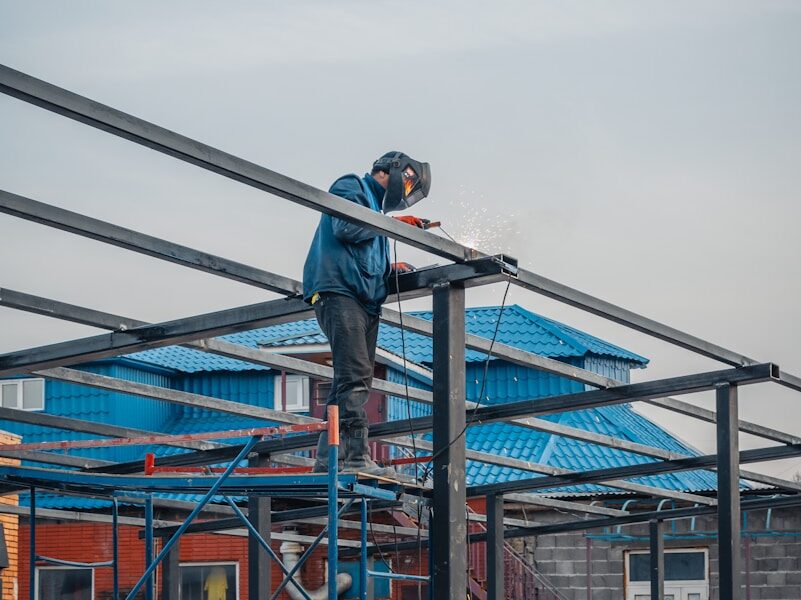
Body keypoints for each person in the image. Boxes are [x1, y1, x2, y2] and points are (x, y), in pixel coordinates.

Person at [302, 151, 431, 476]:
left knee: (352, 378)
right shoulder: (351, 186)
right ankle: (354, 456)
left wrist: (390, 269)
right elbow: (346, 228)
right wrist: (391, 225)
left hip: (364, 300)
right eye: (408, 182)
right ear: (390, 172)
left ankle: (329, 458)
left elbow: (363, 256)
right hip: (339, 291)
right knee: (356, 375)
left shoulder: (376, 219)